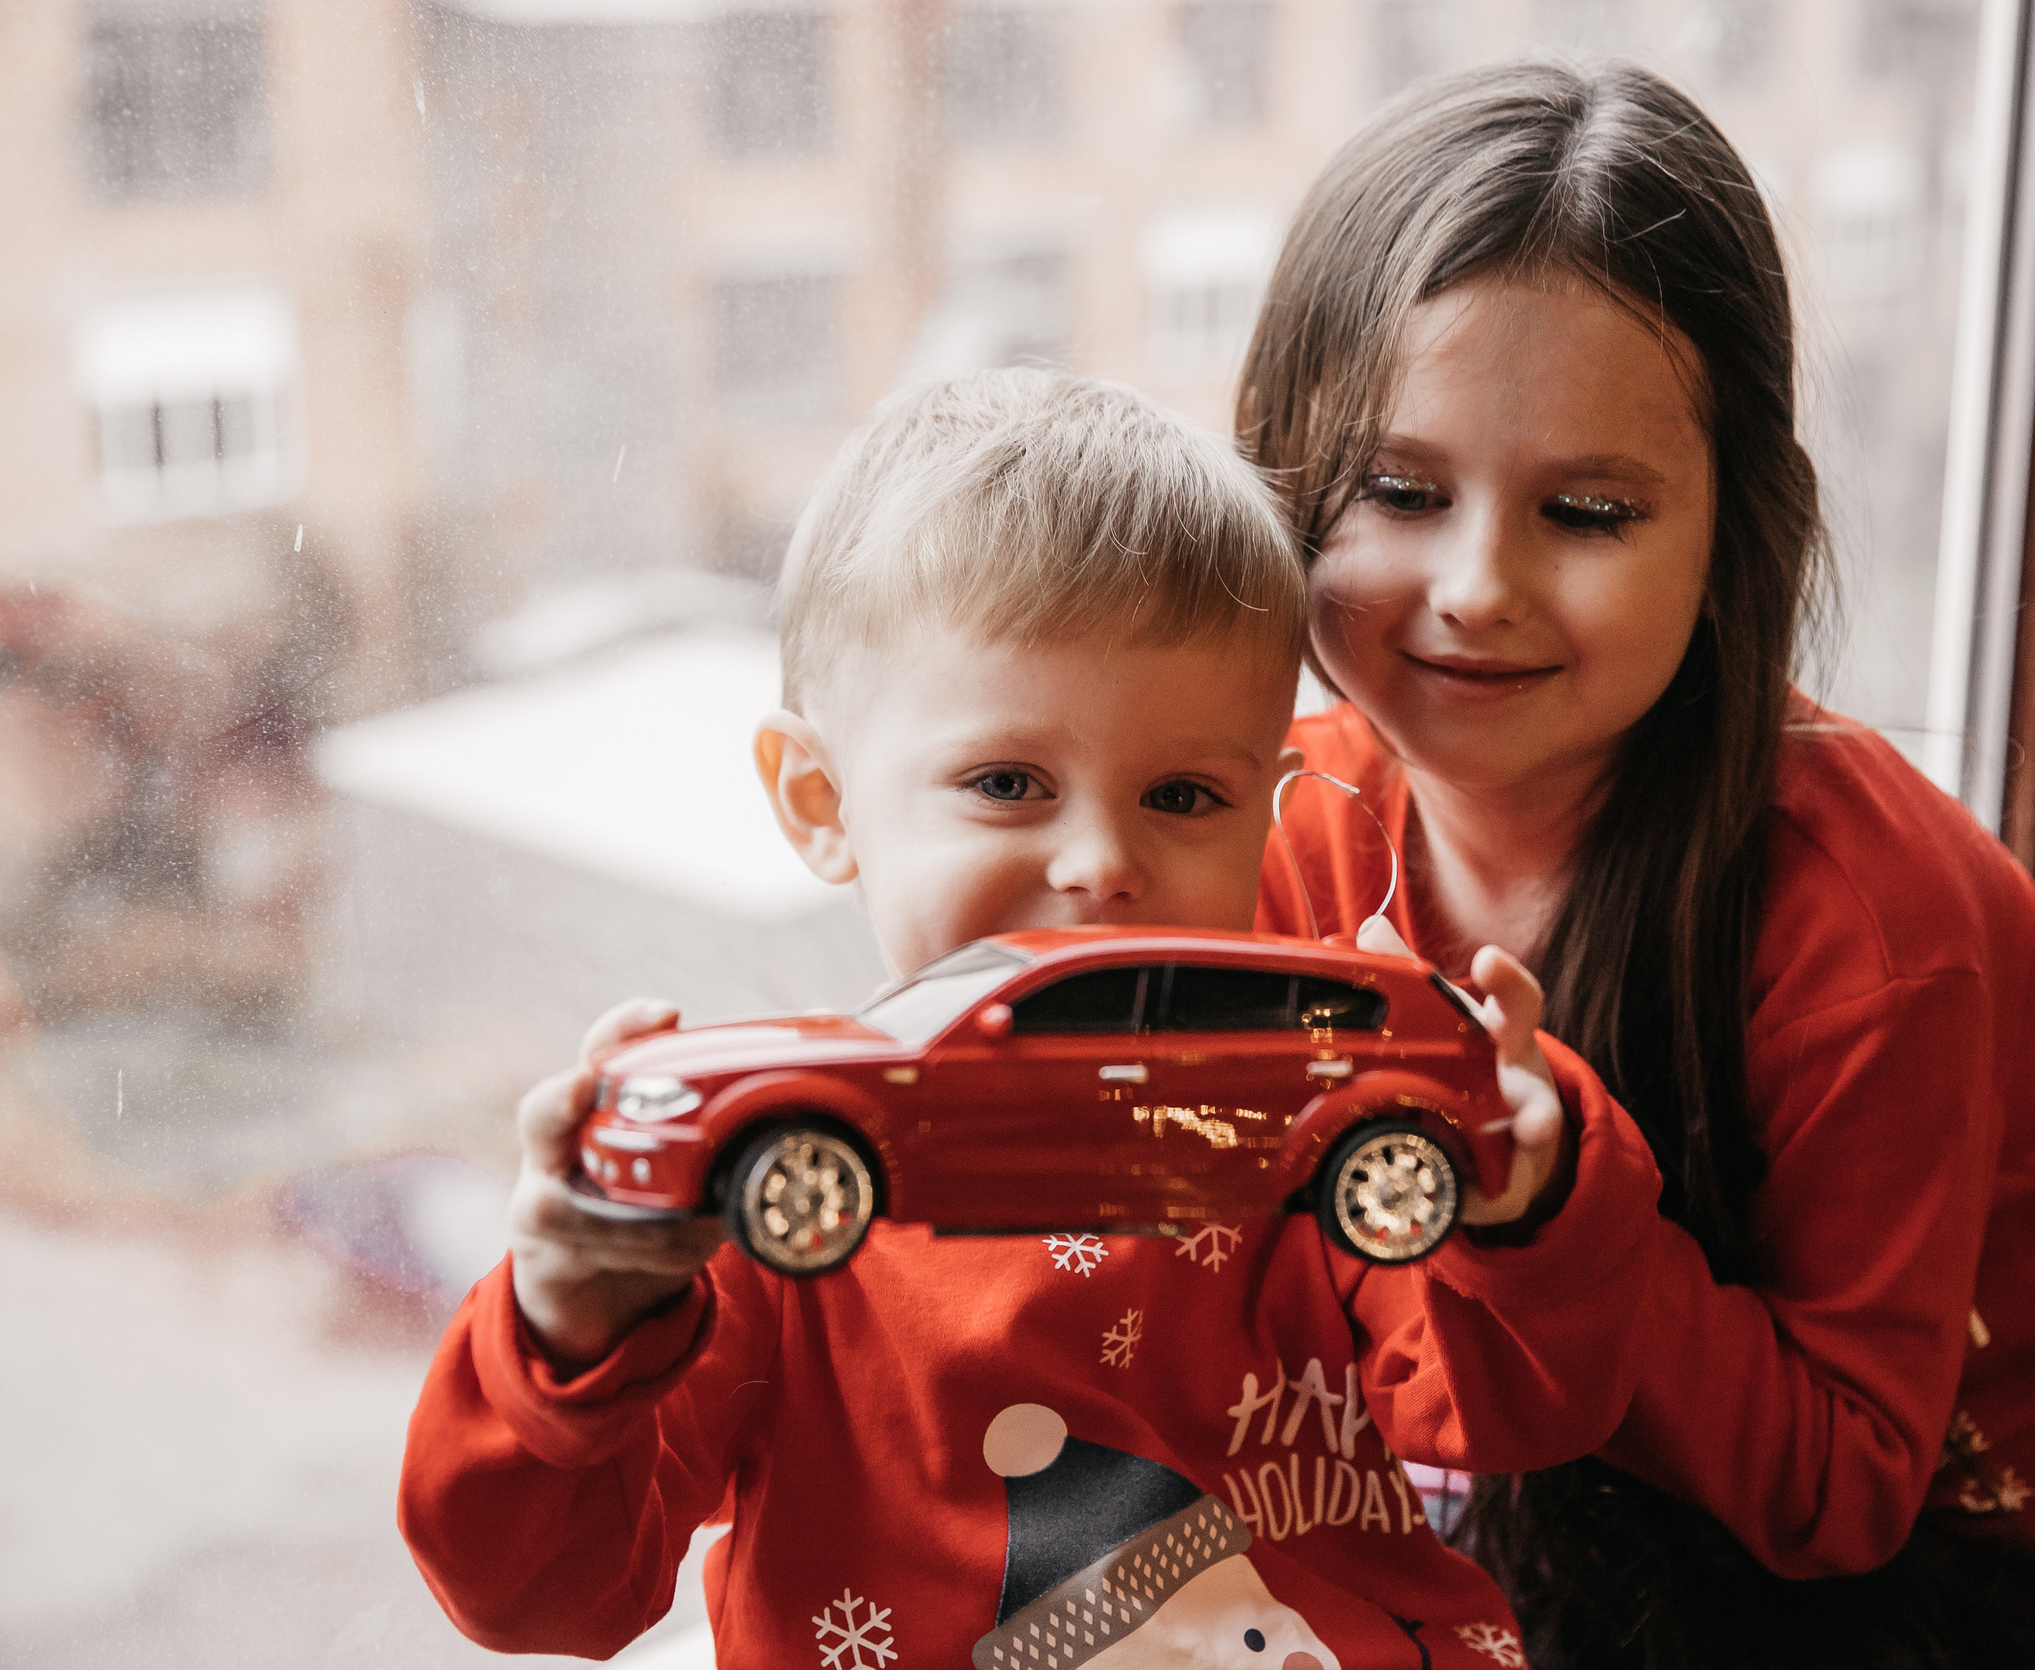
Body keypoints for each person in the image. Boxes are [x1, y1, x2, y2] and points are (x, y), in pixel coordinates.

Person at [1239, 60, 2035, 1669]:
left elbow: (1843, 1493)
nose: (1475, 585)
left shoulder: (1870, 919)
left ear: (1730, 540)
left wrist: (1551, 1220)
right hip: (1627, 1474)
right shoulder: (1277, 815)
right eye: (1400, 491)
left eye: (1583, 509)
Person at [396, 368, 1666, 1668]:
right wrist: (566, 1334)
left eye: (1183, 796)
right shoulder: (773, 1201)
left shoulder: (1289, 1121)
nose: (1100, 863)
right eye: (1008, 783)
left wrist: (1526, 1200)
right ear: (822, 802)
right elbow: (542, 1600)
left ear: (1271, 808)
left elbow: (1516, 1416)